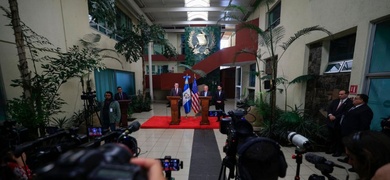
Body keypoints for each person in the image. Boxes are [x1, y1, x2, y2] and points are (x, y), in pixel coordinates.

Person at [338, 94, 373, 167]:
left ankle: (355, 165)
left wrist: (358, 134)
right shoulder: (353, 107)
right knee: (349, 147)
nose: (353, 100)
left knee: (356, 150)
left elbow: (364, 124)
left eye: (356, 99)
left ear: (362, 100)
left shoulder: (366, 110)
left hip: (355, 133)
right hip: (347, 131)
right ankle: (348, 159)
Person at [326, 90, 353, 157]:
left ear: (347, 94)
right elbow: (329, 109)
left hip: (340, 123)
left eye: (342, 94)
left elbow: (346, 112)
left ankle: (338, 151)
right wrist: (330, 115)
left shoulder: (349, 103)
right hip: (331, 122)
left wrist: (336, 117)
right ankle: (331, 149)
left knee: (339, 138)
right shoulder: (335, 101)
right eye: (339, 94)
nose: (340, 95)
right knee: (331, 136)